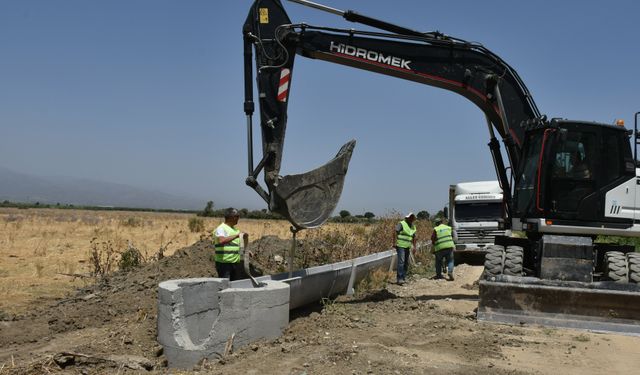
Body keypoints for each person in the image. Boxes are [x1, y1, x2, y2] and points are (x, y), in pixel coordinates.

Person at [213, 207, 249, 281]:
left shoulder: (235, 230)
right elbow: (221, 241)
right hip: (224, 263)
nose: (238, 218)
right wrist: (236, 235)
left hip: (234, 262)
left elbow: (235, 245)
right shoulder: (221, 228)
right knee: (225, 285)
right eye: (237, 216)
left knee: (233, 284)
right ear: (231, 217)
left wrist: (246, 250)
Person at [393, 212, 417, 285]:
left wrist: (414, 247)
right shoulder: (402, 223)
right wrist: (394, 242)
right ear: (407, 218)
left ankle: (403, 277)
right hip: (400, 245)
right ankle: (399, 278)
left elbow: (414, 237)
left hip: (408, 246)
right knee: (401, 262)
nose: (411, 219)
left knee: (406, 262)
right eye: (410, 217)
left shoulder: (413, 226)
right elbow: (395, 232)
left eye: (412, 218)